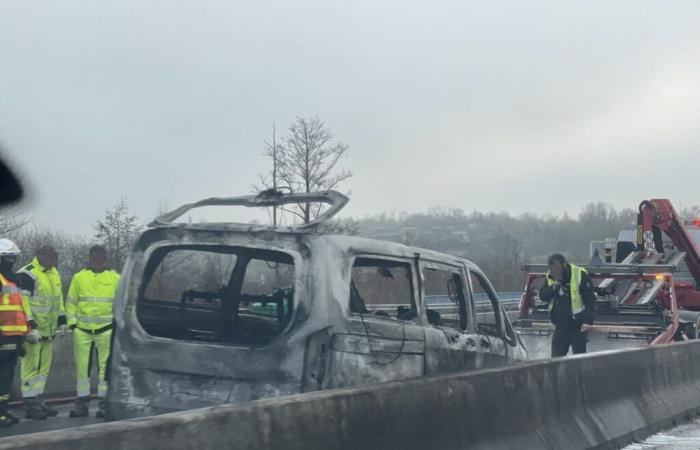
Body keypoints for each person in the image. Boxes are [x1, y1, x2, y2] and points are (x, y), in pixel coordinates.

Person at [66, 245, 120, 419]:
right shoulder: (79, 277)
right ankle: (82, 404)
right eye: (95, 257)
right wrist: (72, 323)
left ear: (106, 258)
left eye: (101, 257)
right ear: (90, 258)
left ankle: (104, 403)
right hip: (82, 330)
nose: (98, 260)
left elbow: (120, 304)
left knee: (105, 368)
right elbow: (71, 302)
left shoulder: (116, 278)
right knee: (83, 369)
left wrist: (116, 325)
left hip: (106, 330)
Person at [16, 245, 68, 419]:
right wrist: (30, 326)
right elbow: (23, 302)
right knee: (30, 368)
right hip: (34, 331)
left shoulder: (54, 273)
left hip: (49, 331)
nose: (54, 261)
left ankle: (38, 401)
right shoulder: (27, 273)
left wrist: (62, 321)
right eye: (52, 257)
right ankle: (30, 405)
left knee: (43, 370)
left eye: (55, 258)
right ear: (40, 256)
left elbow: (58, 299)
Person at [0, 238, 38, 427]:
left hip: (13, 336)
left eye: (13, 258)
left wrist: (24, 333)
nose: (12, 262)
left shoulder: (11, 279)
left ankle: (3, 409)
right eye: (8, 258)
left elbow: (18, 310)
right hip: (2, 336)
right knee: (2, 375)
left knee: (7, 376)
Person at [539, 253, 596, 357]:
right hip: (560, 326)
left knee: (579, 359)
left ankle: (578, 374)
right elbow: (543, 295)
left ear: (564, 264)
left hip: (578, 326)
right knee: (556, 359)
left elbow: (590, 300)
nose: (556, 273)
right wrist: (555, 286)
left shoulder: (579, 274)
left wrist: (588, 321)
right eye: (553, 270)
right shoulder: (551, 276)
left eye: (558, 269)